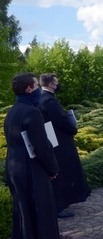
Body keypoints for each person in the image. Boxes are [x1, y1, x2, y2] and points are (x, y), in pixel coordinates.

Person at [4, 73, 60, 239]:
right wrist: (52, 169)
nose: (38, 90)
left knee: (23, 212)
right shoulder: (32, 112)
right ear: (29, 89)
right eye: (36, 86)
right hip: (32, 168)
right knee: (41, 212)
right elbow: (41, 146)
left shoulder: (12, 112)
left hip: (14, 168)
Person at [38, 73, 91, 218]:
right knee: (60, 173)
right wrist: (73, 127)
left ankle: (57, 205)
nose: (58, 84)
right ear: (50, 84)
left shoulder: (40, 98)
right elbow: (61, 120)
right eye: (56, 82)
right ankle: (58, 206)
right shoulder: (49, 100)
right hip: (58, 143)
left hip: (52, 139)